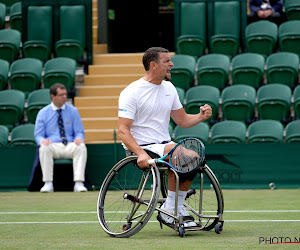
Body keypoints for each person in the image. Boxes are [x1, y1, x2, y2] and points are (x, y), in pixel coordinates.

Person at [118, 47, 212, 227]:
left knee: (194, 158)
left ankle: (172, 208)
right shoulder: (132, 92)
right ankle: (172, 210)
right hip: (140, 147)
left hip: (164, 145)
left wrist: (200, 116)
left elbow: (182, 120)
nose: (172, 64)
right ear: (153, 65)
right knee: (177, 153)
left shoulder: (169, 88)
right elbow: (123, 130)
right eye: (167, 61)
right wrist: (140, 153)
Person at [34, 83, 88, 193]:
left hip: (69, 145)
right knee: (43, 148)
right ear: (52, 96)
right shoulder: (43, 113)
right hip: (52, 145)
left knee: (81, 147)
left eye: (65, 94)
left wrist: (79, 138)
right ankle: (48, 183)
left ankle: (79, 183)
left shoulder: (73, 111)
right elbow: (38, 135)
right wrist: (42, 141)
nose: (64, 97)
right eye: (61, 95)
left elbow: (79, 131)